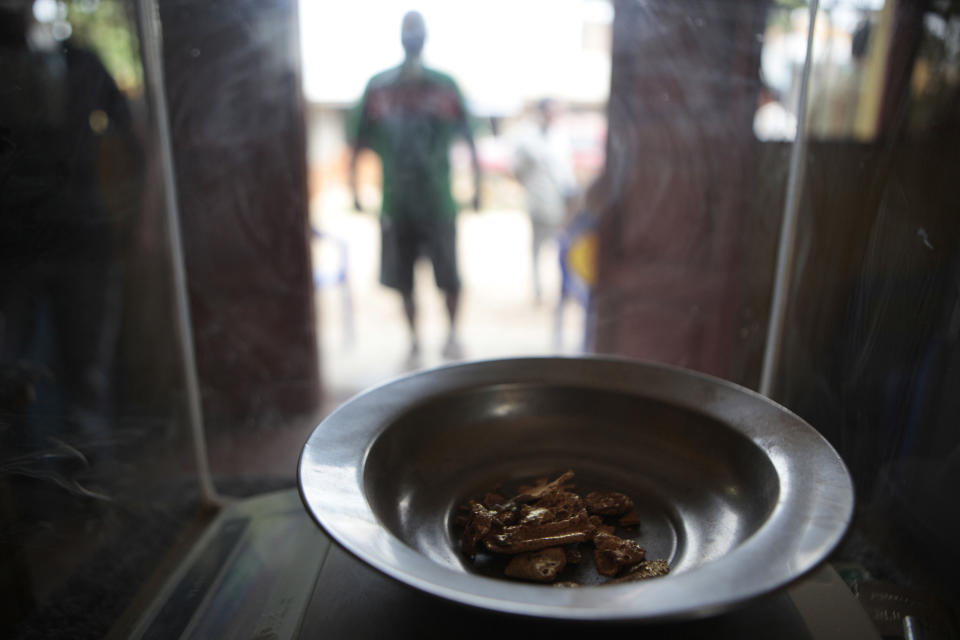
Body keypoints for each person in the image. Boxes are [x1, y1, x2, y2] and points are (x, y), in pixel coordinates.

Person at [349, 10, 480, 363]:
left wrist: (477, 187)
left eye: (417, 31)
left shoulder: (444, 85)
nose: (412, 37)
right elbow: (358, 142)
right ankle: (414, 342)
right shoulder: (379, 87)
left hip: (439, 202)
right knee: (403, 280)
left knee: (449, 277)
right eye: (408, 31)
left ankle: (452, 335)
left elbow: (470, 138)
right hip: (397, 203)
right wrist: (354, 190)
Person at [512, 98, 577, 304]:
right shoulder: (527, 137)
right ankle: (538, 291)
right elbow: (518, 170)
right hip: (538, 202)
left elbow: (566, 173)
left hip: (559, 202)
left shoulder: (560, 137)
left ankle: (565, 290)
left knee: (563, 249)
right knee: (537, 250)